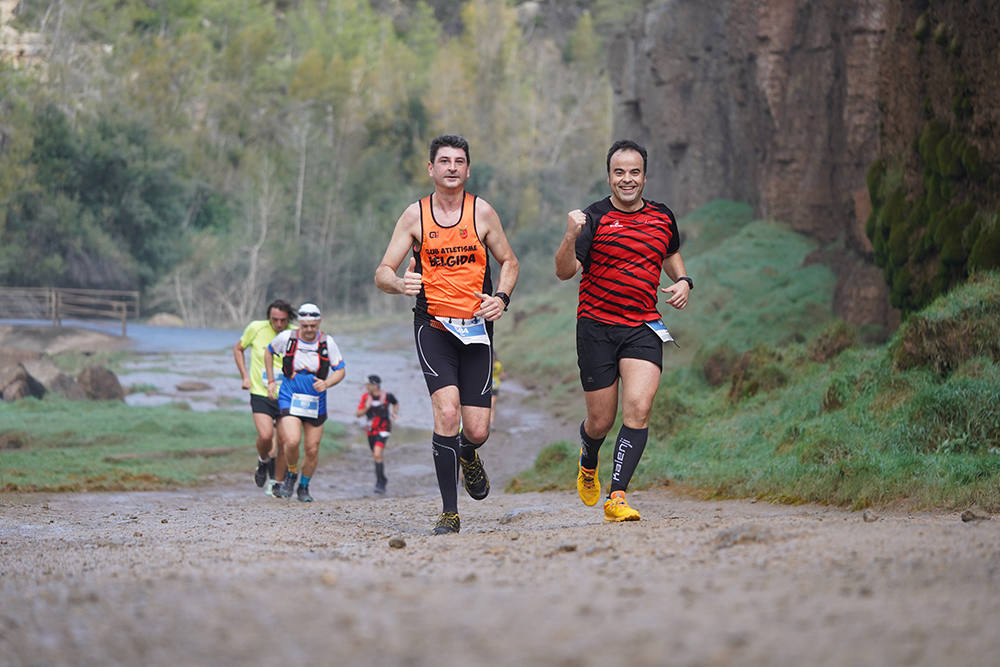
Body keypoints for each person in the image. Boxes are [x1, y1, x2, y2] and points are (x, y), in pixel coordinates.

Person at [375, 134, 519, 535]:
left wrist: (502, 298)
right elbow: (383, 270)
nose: (452, 167)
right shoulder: (415, 216)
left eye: (459, 161)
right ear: (431, 169)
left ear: (468, 169)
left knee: (476, 429)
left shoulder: (483, 213)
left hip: (476, 330)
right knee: (447, 412)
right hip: (434, 327)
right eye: (444, 160)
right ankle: (449, 512)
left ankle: (468, 454)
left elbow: (509, 261)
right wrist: (398, 284)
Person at [554, 139, 692, 522]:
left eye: (634, 172)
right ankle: (588, 455)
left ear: (645, 176)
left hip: (643, 327)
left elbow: (670, 253)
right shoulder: (592, 218)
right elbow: (564, 272)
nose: (627, 179)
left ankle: (617, 497)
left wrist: (683, 281)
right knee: (601, 420)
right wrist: (570, 235)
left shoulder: (663, 216)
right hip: (596, 328)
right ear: (609, 177)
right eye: (619, 172)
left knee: (639, 408)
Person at [265, 303, 346, 502]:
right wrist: (271, 381)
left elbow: (341, 370)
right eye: (305, 326)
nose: (309, 330)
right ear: (300, 324)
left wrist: (327, 383)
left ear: (318, 323)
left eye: (313, 326)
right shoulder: (287, 338)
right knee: (291, 441)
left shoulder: (328, 342)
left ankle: (304, 486)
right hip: (290, 393)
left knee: (312, 448)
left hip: (315, 396)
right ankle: (291, 474)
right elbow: (269, 352)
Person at [233, 299, 295, 495]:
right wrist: (245, 376)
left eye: (282, 320)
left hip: (286, 395)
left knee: (285, 441)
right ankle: (263, 461)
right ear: (269, 317)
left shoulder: (295, 333)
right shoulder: (256, 328)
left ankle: (276, 483)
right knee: (266, 436)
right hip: (260, 392)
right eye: (274, 320)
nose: (278, 324)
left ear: (288, 319)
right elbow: (238, 349)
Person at [355, 374, 399, 495]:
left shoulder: (387, 396)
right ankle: (383, 478)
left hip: (384, 428)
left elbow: (395, 403)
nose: (366, 386)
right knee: (375, 455)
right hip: (371, 430)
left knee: (377, 453)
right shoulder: (365, 397)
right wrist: (366, 407)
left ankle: (380, 483)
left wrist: (394, 413)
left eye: (368, 384)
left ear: (375, 385)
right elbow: (358, 414)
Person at [489, 351, 504, 428]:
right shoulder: (486, 363)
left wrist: (502, 376)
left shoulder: (498, 365)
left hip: (495, 387)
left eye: (493, 356)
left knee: (491, 405)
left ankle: (491, 423)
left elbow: (501, 374)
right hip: (487, 388)